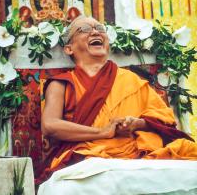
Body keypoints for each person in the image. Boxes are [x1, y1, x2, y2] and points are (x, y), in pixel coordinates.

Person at [38, 15, 197, 184]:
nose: (94, 32)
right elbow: (50, 126)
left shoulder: (131, 79)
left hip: (140, 152)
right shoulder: (61, 84)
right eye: (84, 29)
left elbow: (165, 121)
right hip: (90, 154)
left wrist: (137, 123)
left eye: (100, 29)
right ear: (69, 49)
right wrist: (103, 132)